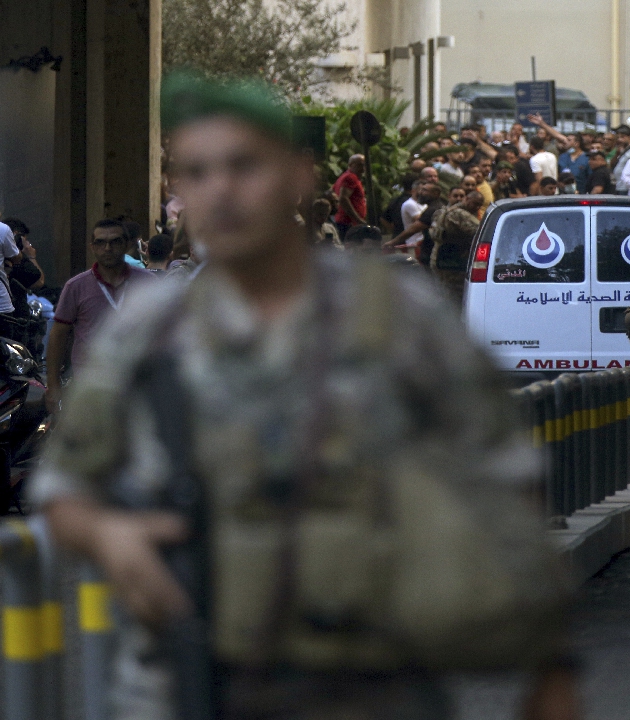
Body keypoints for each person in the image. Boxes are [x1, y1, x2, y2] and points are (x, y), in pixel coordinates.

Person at [33, 72, 578, 720]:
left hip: (374, 686)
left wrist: (550, 668)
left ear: (299, 177)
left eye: (244, 166)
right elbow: (63, 490)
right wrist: (109, 535)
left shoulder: (397, 314)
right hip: (183, 686)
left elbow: (507, 482)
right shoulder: (149, 329)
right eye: (197, 172)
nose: (222, 190)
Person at [45, 218, 155, 411]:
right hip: (91, 387)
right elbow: (58, 335)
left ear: (127, 245)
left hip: (140, 386)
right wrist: (53, 386)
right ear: (92, 247)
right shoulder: (76, 287)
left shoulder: (149, 283)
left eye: (115, 242)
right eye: (101, 242)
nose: (107, 248)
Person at [430, 190, 485, 306]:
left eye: (479, 205)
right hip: (452, 261)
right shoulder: (459, 214)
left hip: (441, 258)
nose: (477, 207)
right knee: (455, 295)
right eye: (475, 203)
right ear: (467, 199)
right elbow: (480, 232)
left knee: (444, 292)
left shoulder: (444, 211)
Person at [332, 153, 367, 238]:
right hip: (348, 223)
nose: (362, 169)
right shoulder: (350, 177)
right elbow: (343, 198)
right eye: (359, 165)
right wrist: (357, 219)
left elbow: (332, 192)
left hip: (346, 222)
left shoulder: (345, 176)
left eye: (363, 165)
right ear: (350, 165)